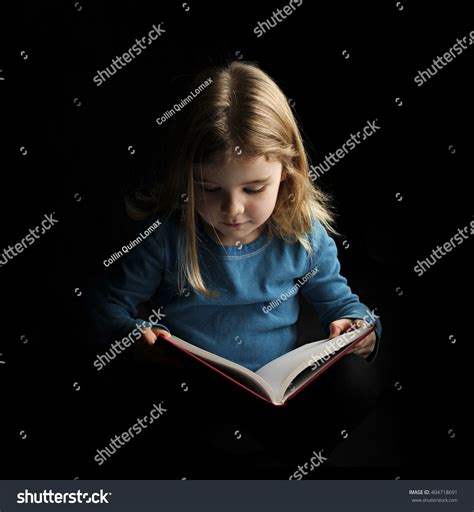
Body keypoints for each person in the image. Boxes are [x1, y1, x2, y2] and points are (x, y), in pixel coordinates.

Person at [90, 61, 383, 475]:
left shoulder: (304, 236)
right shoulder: (169, 237)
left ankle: (280, 464)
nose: (233, 209)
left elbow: (348, 309)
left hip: (274, 400)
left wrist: (359, 333)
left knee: (357, 380)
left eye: (253, 188)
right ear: (185, 178)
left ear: (287, 171)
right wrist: (135, 339)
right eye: (209, 189)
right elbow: (105, 307)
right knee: (129, 393)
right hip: (193, 392)